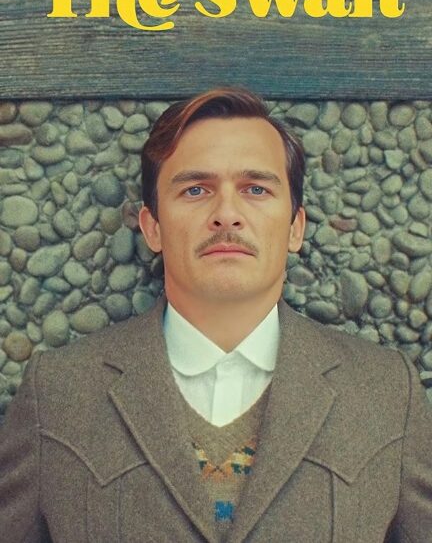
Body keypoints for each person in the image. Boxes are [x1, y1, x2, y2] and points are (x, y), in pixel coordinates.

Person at [0, 87, 431, 543]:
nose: (226, 214)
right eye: (196, 189)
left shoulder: (386, 394)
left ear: (295, 227)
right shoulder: (57, 394)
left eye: (256, 189)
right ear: (152, 228)